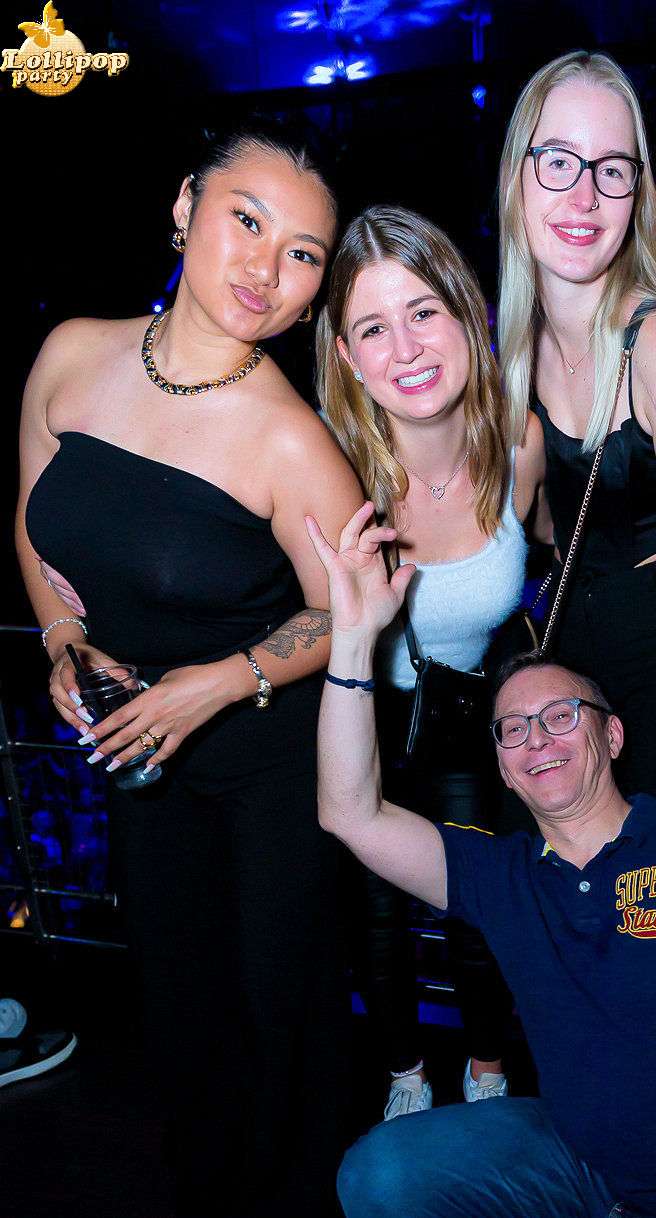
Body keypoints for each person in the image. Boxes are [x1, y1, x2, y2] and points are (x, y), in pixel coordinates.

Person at [15, 125, 362, 1218]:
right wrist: (61, 638)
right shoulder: (73, 351)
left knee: (278, 1008)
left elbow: (352, 612)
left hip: (268, 762)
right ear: (183, 207)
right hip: (139, 752)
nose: (265, 266)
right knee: (177, 1001)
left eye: (301, 253)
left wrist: (220, 680)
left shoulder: (290, 438)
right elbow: (34, 517)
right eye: (245, 220)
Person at [305, 502, 656, 1218]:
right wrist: (352, 639)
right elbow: (349, 812)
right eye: (513, 730)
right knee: (381, 1172)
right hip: (578, 1160)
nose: (538, 739)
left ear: (614, 736)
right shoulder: (503, 876)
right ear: (501, 768)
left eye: (562, 716)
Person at [315, 206, 547, 1117]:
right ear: (346, 357)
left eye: (423, 311)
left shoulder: (519, 447)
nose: (406, 347)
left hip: (464, 720)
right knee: (373, 921)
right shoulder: (331, 474)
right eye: (374, 328)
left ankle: (488, 1074)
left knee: (484, 907)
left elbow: (564, 558)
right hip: (362, 721)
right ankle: (405, 1079)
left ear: (466, 312)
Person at [498, 49, 656, 797]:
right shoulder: (508, 360)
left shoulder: (650, 345)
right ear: (516, 176)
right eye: (559, 161)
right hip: (575, 707)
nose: (585, 197)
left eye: (612, 169)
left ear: (636, 193)